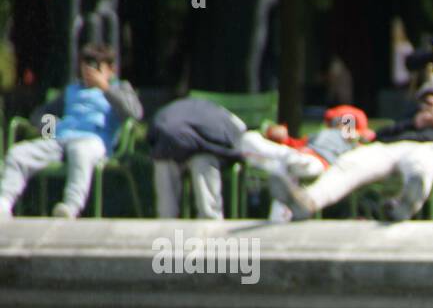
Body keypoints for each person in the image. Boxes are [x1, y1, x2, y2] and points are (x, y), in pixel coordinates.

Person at [274, 68, 433, 222]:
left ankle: (404, 203)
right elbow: (380, 136)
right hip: (393, 148)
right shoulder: (414, 115)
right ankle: (308, 201)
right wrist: (413, 123)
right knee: (352, 161)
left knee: (421, 164)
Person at [0, 42, 142, 219]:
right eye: (86, 65)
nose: (89, 71)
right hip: (60, 141)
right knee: (18, 153)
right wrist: (50, 132)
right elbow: (41, 114)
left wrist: (105, 88)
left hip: (94, 142)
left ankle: (70, 207)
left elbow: (134, 113)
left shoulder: (119, 88)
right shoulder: (71, 90)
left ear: (110, 69)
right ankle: (4, 203)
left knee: (80, 151)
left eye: (96, 66)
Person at [240, 105, 374, 222]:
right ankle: (278, 163)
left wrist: (354, 137)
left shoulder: (352, 142)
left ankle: (280, 163)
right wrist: (276, 134)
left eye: (349, 124)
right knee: (251, 138)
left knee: (293, 166)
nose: (345, 127)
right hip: (296, 155)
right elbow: (293, 143)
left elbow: (361, 144)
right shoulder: (319, 135)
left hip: (317, 164)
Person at [147, 97, 248, 219]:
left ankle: (168, 219)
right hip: (175, 138)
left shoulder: (215, 117)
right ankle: (209, 217)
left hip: (172, 136)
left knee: (197, 160)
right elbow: (236, 145)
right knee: (190, 161)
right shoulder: (226, 121)